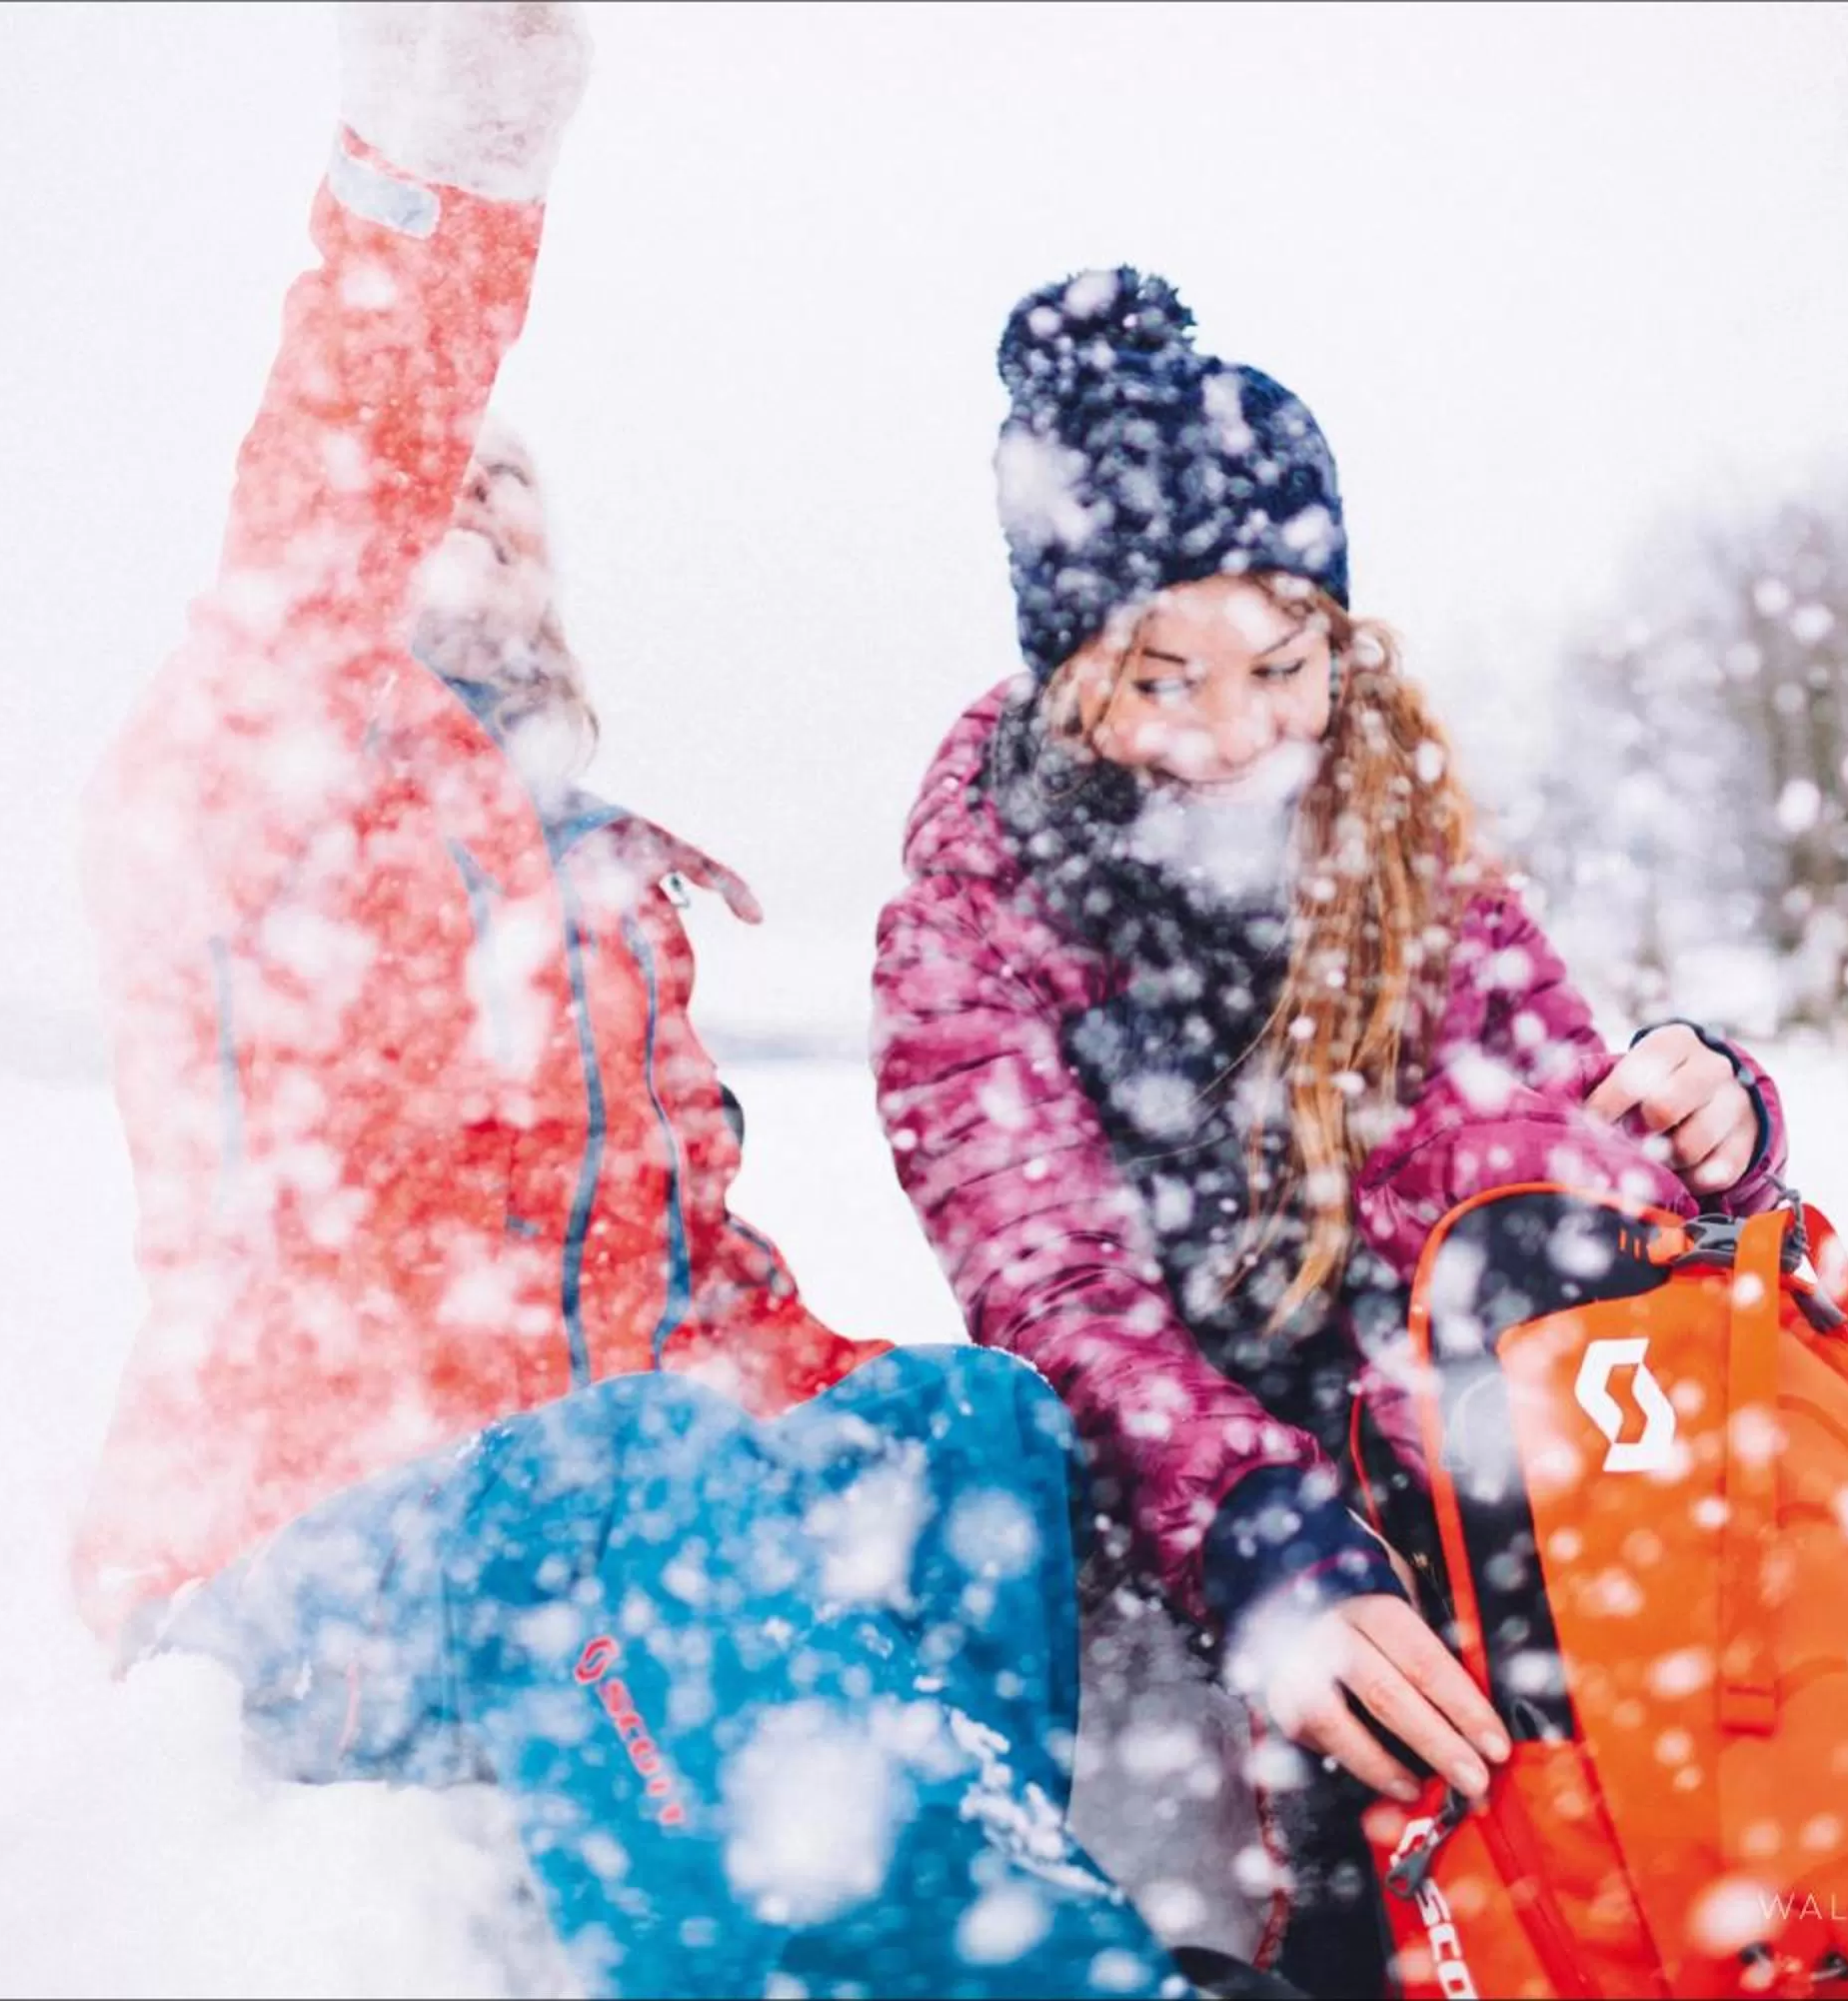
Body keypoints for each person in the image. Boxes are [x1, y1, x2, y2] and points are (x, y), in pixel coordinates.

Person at [870, 267, 1848, 1996]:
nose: (1235, 736)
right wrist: (1257, 1527)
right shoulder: (972, 922)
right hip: (1288, 1526)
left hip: (1545, 1430)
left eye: (1283, 666)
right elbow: (1060, 1298)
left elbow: (1558, 1144)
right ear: (1071, 669)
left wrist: (1710, 1128)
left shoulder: (1398, 842)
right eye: (1166, 678)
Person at [66, 15, 1226, 1998]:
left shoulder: (600, 884)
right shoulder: (252, 766)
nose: (474, 499)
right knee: (636, 1465)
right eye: (440, 480)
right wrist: (460, 130)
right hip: (291, 1561)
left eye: (513, 498)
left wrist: (945, 1423)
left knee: (965, 1426)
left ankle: (987, 1882)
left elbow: (699, 1301)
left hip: (580, 1509)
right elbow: (349, 437)